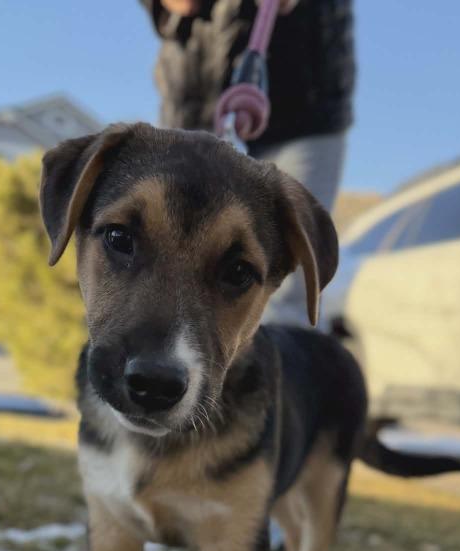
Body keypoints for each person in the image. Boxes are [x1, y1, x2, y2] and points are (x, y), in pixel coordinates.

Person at [139, 0, 355, 326]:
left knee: (287, 300)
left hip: (309, 101)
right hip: (196, 100)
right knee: (169, 272)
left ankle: (275, 373)